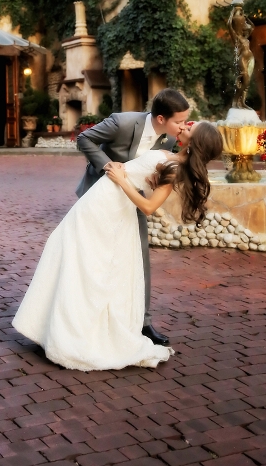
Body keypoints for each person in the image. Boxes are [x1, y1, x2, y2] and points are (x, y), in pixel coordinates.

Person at [13, 121, 223, 371]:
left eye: (190, 128)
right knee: (68, 252)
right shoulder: (170, 156)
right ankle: (49, 327)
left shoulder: (176, 167)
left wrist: (122, 179)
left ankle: (72, 333)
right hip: (102, 199)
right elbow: (140, 173)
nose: (185, 126)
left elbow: (148, 207)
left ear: (195, 143)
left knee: (81, 260)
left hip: (109, 207)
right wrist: (126, 169)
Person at [75, 88, 190, 346]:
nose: (183, 127)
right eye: (179, 121)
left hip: (131, 202)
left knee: (139, 256)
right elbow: (84, 139)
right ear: (161, 119)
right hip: (99, 199)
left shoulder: (168, 141)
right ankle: (88, 317)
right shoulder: (122, 122)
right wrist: (106, 164)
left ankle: (144, 322)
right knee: (93, 259)